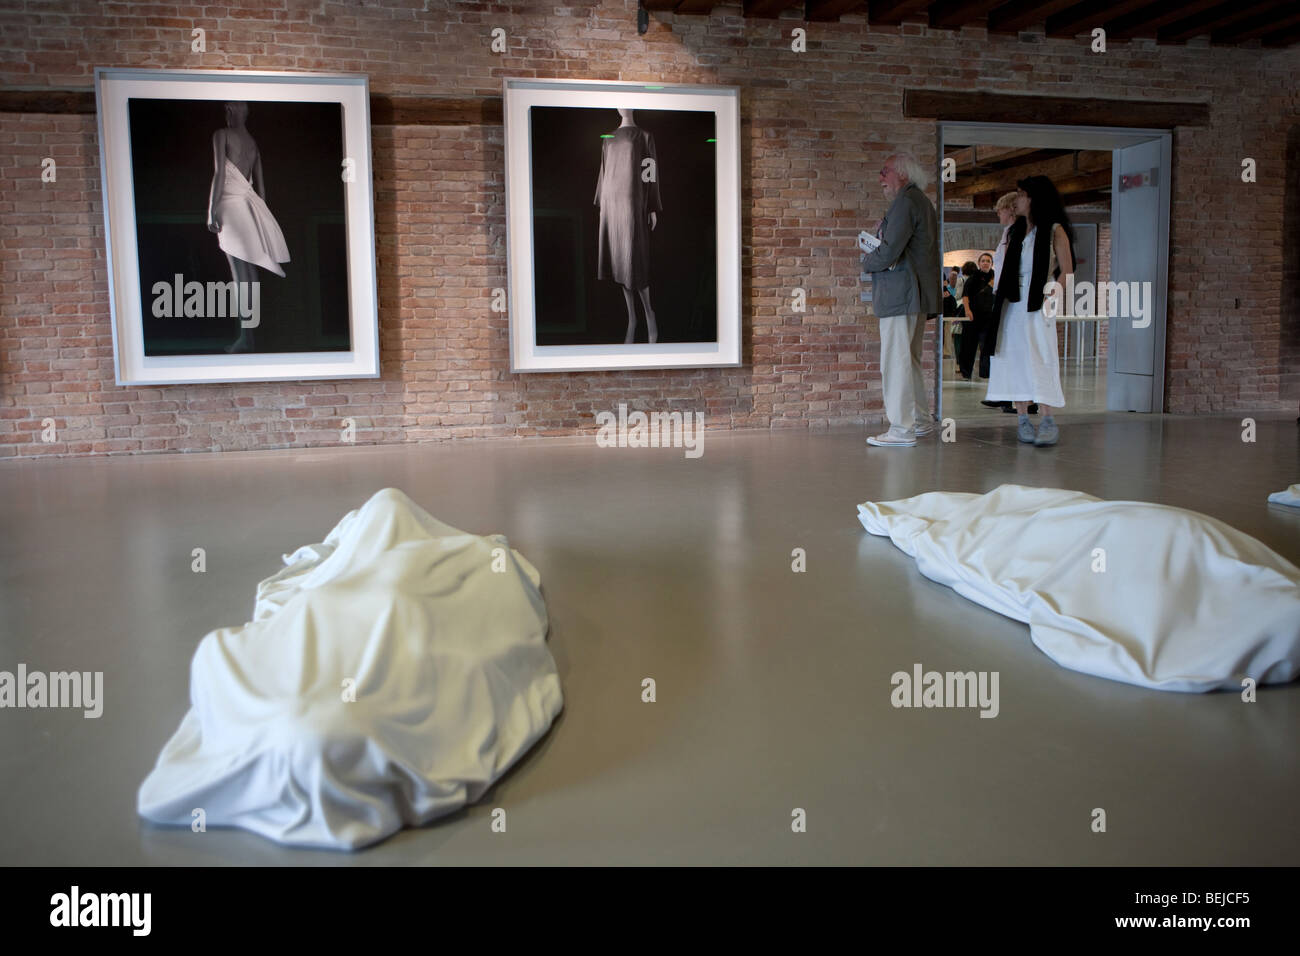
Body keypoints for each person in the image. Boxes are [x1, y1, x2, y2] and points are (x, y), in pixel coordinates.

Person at [984, 176, 1075, 446]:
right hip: (1012, 302)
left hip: (1039, 300)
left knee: (1041, 355)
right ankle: (1022, 417)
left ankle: (1047, 419)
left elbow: (1067, 272)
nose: (1017, 200)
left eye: (1022, 195)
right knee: (1014, 358)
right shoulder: (1015, 231)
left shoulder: (1054, 229)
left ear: (1035, 198)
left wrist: (1052, 298)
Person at [860, 152, 940, 447]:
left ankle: (901, 429)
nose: (880, 178)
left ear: (902, 174)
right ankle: (918, 421)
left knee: (895, 362)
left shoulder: (905, 203)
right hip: (914, 297)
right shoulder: (920, 202)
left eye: (885, 172)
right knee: (910, 360)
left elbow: (889, 250)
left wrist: (867, 261)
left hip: (900, 296)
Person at [207, 101, 290, 353]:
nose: (226, 114)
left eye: (227, 110)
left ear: (231, 111)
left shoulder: (221, 135)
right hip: (249, 207)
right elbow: (262, 191)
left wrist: (211, 209)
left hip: (230, 206)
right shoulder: (253, 144)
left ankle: (246, 338)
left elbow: (220, 173)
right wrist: (260, 219)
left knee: (239, 273)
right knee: (250, 273)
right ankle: (250, 337)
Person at [595, 108, 662, 344]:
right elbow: (604, 172)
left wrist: (651, 205)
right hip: (612, 203)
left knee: (635, 260)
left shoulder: (644, 136)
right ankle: (632, 317)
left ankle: (648, 312)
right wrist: (603, 204)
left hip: (633, 202)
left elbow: (649, 171)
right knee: (620, 262)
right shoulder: (608, 139)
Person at [957, 259, 994, 381]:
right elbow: (965, 296)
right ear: (979, 263)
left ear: (991, 263)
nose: (985, 263)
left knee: (986, 346)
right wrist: (967, 310)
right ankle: (966, 372)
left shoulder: (995, 276)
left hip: (988, 317)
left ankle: (985, 373)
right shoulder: (973, 278)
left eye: (988, 261)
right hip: (972, 316)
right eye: (983, 261)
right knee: (969, 344)